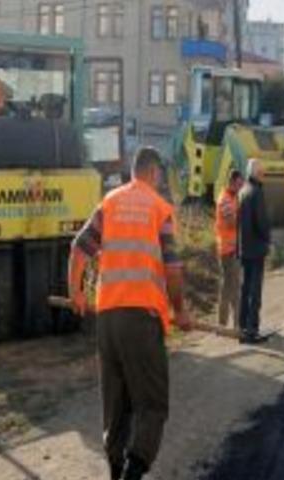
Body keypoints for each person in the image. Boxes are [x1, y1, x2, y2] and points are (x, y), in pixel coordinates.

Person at [68, 147, 192, 480]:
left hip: (107, 320)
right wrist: (180, 310)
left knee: (116, 405)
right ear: (154, 173)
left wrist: (76, 292)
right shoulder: (160, 209)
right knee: (151, 405)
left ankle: (115, 469)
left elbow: (79, 248)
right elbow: (174, 268)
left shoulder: (109, 203)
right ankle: (132, 474)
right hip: (141, 320)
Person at [238, 158, 271, 344]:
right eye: (262, 171)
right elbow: (262, 223)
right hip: (256, 249)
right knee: (255, 291)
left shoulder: (242, 191)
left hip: (244, 248)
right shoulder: (257, 192)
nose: (264, 174)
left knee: (245, 289)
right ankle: (252, 330)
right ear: (256, 173)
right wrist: (267, 239)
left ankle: (242, 327)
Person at [215, 169, 245, 330]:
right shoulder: (225, 199)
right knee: (230, 287)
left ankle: (234, 323)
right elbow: (230, 223)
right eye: (239, 184)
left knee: (233, 287)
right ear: (232, 182)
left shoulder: (234, 198)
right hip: (228, 250)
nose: (241, 187)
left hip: (233, 249)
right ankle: (224, 324)